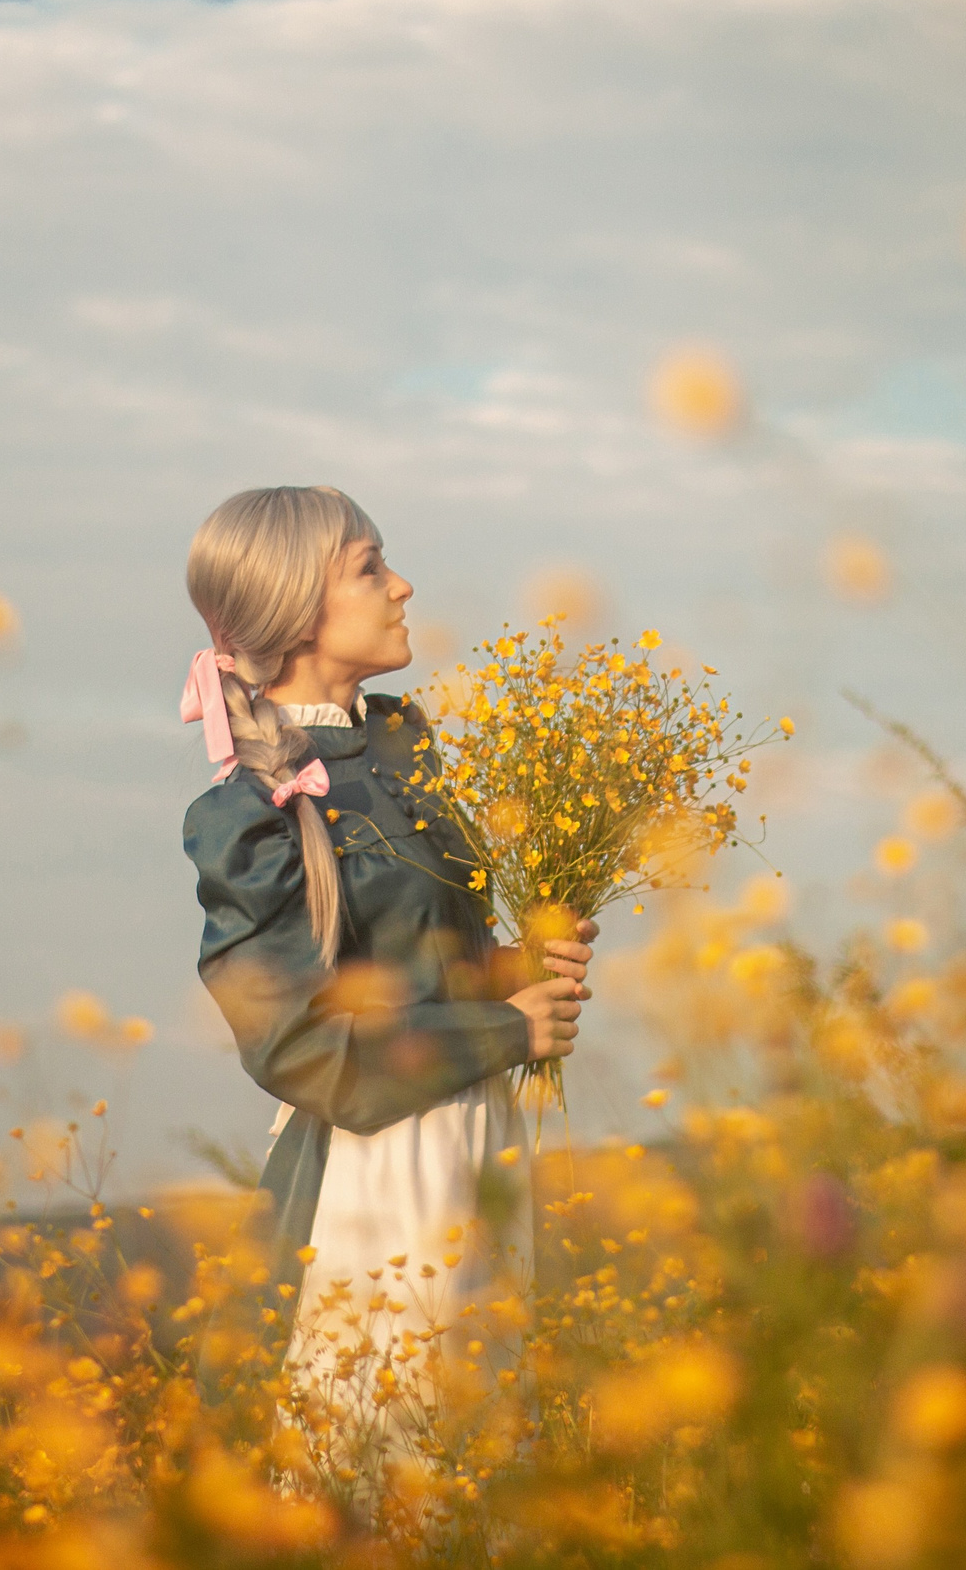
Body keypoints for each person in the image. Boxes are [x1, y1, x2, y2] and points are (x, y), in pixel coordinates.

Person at [178, 484, 595, 1467]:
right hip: (372, 1166)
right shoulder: (246, 811)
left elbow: (414, 967)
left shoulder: (401, 740)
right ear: (295, 608)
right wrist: (511, 1029)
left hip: (474, 1135)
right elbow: (301, 1045)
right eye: (369, 568)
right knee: (386, 1465)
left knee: (482, 1461)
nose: (402, 585)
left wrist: (517, 967)